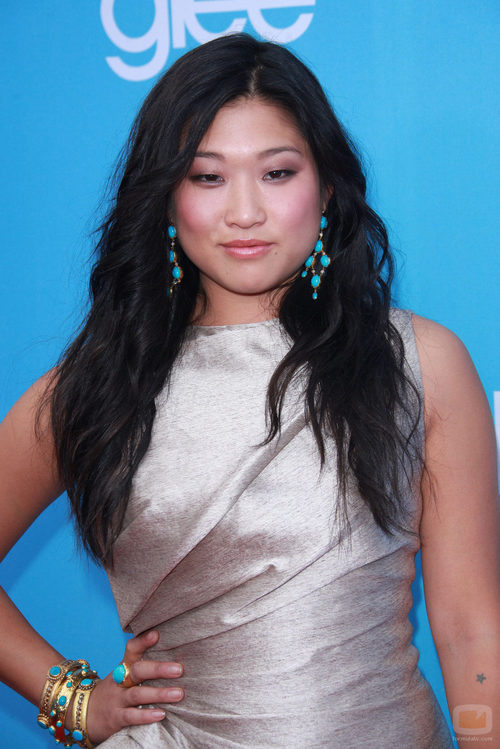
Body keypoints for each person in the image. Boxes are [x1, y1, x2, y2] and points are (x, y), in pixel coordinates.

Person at [0, 32, 498, 749]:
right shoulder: (98, 386)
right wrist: (74, 701)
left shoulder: (420, 363)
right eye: (207, 177)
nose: (244, 211)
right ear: (166, 198)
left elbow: (472, 628)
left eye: (277, 173)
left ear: (327, 187)